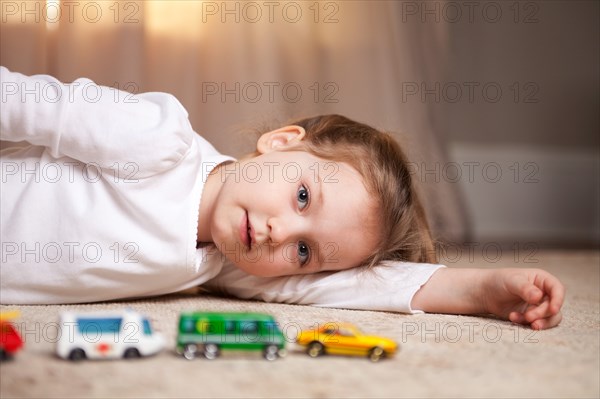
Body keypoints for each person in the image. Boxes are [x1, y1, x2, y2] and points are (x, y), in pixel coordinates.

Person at [0, 67, 564, 330]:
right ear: (280, 142)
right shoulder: (159, 142)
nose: (281, 233)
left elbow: (359, 285)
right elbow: (32, 104)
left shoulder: (232, 264)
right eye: (301, 196)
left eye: (303, 252)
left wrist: (487, 290)